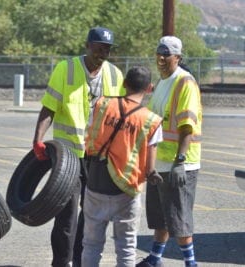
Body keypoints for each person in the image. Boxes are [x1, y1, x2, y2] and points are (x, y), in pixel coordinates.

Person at [32, 26, 125, 267]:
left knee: (91, 216)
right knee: (67, 215)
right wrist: (38, 140)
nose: (102, 53)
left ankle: (81, 260)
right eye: (98, 47)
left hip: (98, 158)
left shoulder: (115, 75)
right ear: (87, 45)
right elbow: (48, 108)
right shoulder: (66, 69)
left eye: (107, 49)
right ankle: (61, 262)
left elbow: (121, 117)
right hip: (68, 157)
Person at [81, 66, 163, 267]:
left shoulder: (102, 104)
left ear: (124, 84)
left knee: (91, 244)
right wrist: (152, 175)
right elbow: (150, 167)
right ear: (150, 88)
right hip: (127, 189)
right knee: (126, 247)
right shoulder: (151, 121)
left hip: (96, 182)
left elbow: (89, 137)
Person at [136, 36, 202, 267]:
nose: (162, 58)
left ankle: (190, 263)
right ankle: (154, 260)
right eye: (159, 53)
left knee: (179, 218)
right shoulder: (163, 81)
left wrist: (180, 161)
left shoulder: (185, 83)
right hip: (160, 161)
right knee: (160, 218)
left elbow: (187, 125)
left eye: (167, 54)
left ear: (178, 57)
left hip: (179, 163)